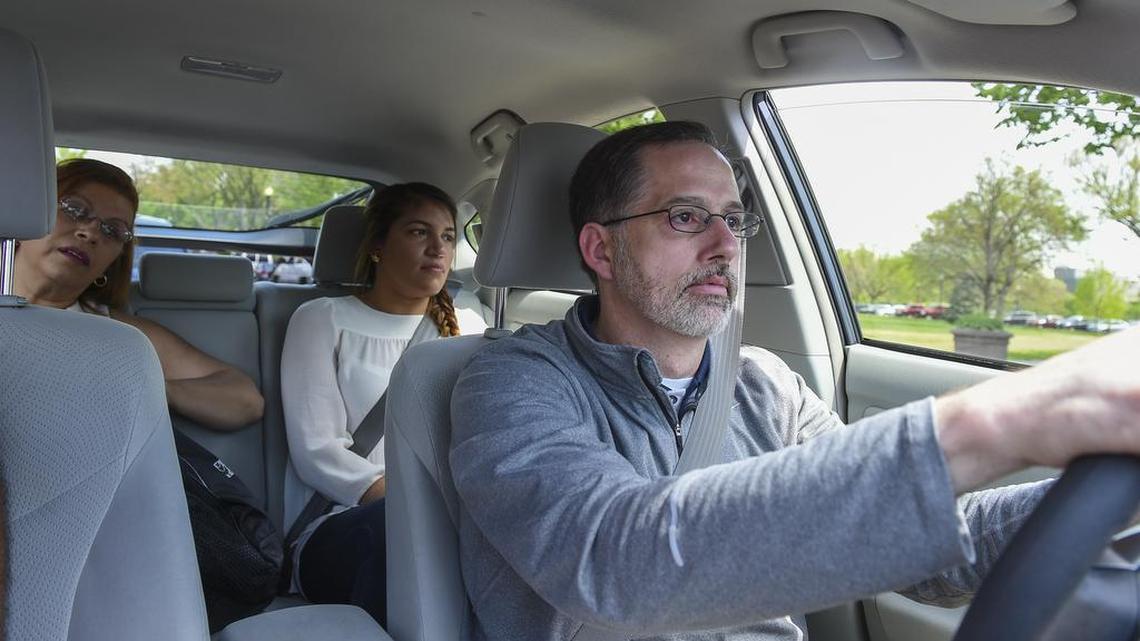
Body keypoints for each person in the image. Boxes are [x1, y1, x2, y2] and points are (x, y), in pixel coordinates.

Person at [449, 121, 1140, 640]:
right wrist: (1001, 421)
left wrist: (1113, 492)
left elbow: (919, 543)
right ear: (601, 248)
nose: (725, 246)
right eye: (686, 216)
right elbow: (613, 560)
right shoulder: (509, 383)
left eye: (734, 218)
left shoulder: (764, 385)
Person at [279, 182, 486, 625]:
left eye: (448, 236)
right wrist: (419, 504)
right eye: (417, 233)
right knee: (400, 530)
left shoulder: (470, 324)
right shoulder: (322, 319)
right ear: (377, 246)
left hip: (454, 518)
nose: (437, 248)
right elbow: (317, 450)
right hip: (343, 521)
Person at [13, 158, 264, 430]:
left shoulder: (118, 335)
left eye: (113, 230)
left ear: (113, 261)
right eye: (74, 209)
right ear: (29, 214)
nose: (90, 233)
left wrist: (148, 389)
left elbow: (245, 400)